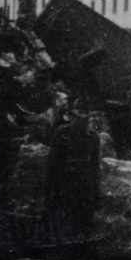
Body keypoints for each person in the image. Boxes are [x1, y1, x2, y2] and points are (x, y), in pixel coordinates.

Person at [44, 100, 101, 242]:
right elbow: (52, 163)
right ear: (72, 114)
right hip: (65, 186)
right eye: (80, 112)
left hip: (84, 189)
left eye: (86, 113)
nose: (84, 116)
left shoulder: (93, 138)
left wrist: (96, 191)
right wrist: (48, 189)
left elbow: (95, 167)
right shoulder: (62, 133)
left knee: (83, 228)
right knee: (63, 227)